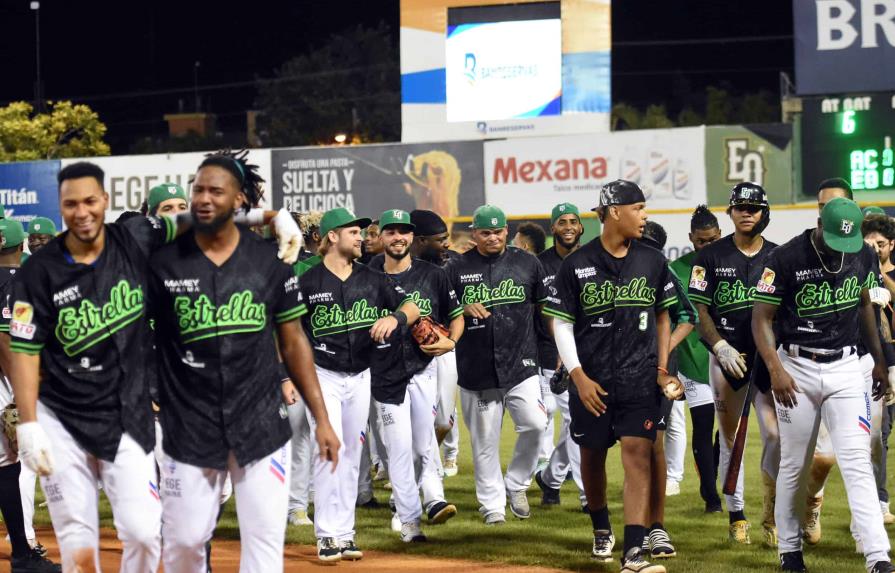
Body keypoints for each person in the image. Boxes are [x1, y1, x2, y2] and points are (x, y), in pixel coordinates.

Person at [7, 158, 302, 572]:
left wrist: (272, 216)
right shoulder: (38, 273)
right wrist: (30, 420)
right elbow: (22, 347)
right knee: (79, 541)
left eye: (91, 200)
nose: (82, 211)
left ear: (104, 202)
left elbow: (202, 216)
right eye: (71, 203)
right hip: (68, 414)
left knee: (147, 533)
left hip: (132, 412)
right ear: (61, 207)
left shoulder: (135, 238)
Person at [148, 153, 340, 573]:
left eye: (215, 191)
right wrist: (269, 215)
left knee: (265, 545)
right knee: (183, 543)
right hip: (189, 426)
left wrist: (321, 417)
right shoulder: (162, 260)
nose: (202, 198)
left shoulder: (270, 263)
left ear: (238, 200)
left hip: (259, 425)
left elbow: (293, 343)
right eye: (197, 189)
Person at [545, 179, 682, 573]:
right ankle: (601, 525)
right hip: (594, 380)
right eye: (638, 208)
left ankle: (634, 552)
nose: (644, 216)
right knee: (592, 454)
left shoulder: (652, 260)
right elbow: (563, 325)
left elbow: (663, 315)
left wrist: (660, 366)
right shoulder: (576, 264)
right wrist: (578, 376)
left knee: (638, 453)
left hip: (639, 377)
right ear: (615, 212)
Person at [752, 197, 895, 573]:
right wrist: (775, 368)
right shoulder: (785, 258)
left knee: (857, 461)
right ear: (818, 223)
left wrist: (878, 361)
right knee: (795, 463)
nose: (839, 251)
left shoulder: (863, 253)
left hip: (848, 366)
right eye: (834, 241)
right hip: (796, 366)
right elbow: (761, 317)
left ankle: (878, 556)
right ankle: (790, 550)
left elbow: (866, 304)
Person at [297, 207, 421, 562]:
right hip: (322, 375)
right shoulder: (307, 282)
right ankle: (326, 535)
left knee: (351, 454)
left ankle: (345, 533)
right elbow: (285, 331)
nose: (362, 238)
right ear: (332, 236)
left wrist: (395, 318)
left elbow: (412, 306)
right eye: (354, 232)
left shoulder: (373, 279)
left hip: (361, 375)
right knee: (330, 450)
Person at [801, 182, 895, 547]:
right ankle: (812, 502)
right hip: (821, 361)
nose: (829, 211)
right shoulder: (804, 251)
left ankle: (865, 533)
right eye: (823, 204)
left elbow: (872, 309)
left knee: (869, 447)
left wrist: (878, 363)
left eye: (837, 204)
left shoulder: (866, 254)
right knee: (824, 457)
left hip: (859, 359)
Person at [687, 183, 780, 546]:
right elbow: (699, 309)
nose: (746, 213)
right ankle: (737, 514)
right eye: (740, 207)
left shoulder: (778, 255)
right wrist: (719, 345)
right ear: (730, 212)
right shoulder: (709, 256)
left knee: (775, 436)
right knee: (730, 440)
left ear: (764, 213)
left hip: (767, 357)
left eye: (753, 208)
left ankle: (772, 513)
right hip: (727, 358)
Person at [445, 204, 549, 524]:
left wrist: (553, 355)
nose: (492, 237)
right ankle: (492, 505)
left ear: (507, 231)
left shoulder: (528, 263)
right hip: (476, 366)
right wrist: (461, 306)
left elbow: (544, 311)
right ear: (474, 233)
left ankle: (516, 483)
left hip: (522, 361)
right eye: (485, 232)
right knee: (485, 442)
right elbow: (439, 311)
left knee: (535, 424)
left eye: (498, 231)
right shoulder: (456, 267)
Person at [367, 208, 463, 541]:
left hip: (423, 369)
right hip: (384, 374)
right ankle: (409, 520)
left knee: (425, 441)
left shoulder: (433, 275)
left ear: (411, 237)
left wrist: (451, 339)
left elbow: (457, 315)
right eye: (391, 232)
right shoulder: (366, 276)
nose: (398, 238)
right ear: (381, 237)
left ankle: (433, 499)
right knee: (399, 447)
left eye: (403, 232)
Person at [0, 218, 60, 573]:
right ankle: (22, 553)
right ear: (21, 247)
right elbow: (5, 340)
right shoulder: (16, 283)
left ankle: (22, 552)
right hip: (6, 386)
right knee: (10, 467)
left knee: (7, 468)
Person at [668, 206, 723, 512]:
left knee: (726, 432)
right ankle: (710, 494)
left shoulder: (730, 264)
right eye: (702, 241)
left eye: (713, 240)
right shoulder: (677, 270)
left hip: (728, 358)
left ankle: (715, 474)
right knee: (702, 425)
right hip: (692, 359)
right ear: (691, 238)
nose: (708, 246)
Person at [533, 203, 587, 509]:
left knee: (576, 421)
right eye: (561, 222)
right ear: (553, 228)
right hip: (548, 354)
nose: (568, 226)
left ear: (580, 227)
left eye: (573, 221)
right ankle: (586, 495)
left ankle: (551, 479)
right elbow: (538, 312)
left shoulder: (591, 259)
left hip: (585, 352)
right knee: (573, 419)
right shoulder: (539, 264)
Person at [409, 209, 463, 477]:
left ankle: (429, 459)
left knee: (443, 420)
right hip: (403, 355)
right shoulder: (390, 267)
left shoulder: (450, 266)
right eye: (440, 239)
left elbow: (457, 313)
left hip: (441, 350)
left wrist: (450, 341)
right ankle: (421, 471)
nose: (447, 244)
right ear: (419, 240)